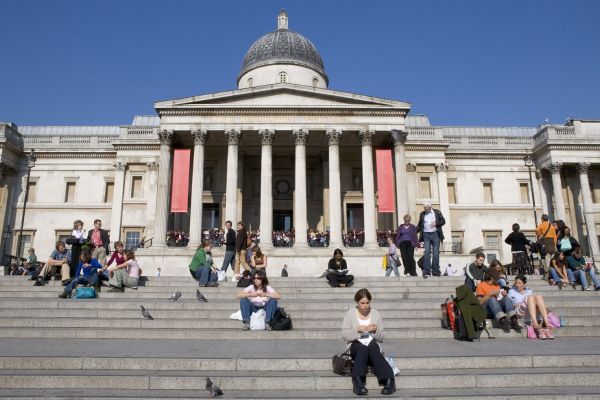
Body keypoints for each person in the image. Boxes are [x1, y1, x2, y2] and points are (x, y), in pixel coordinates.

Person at [341, 288, 396, 396]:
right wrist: (357, 331)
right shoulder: (350, 313)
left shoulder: (375, 313)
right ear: (357, 302)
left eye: (367, 303)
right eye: (362, 303)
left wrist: (375, 331)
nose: (365, 305)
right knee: (361, 347)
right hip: (356, 345)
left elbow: (382, 336)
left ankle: (389, 380)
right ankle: (358, 381)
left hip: (372, 345)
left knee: (371, 346)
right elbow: (344, 334)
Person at [508, 275, 553, 339]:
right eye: (516, 283)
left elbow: (533, 302)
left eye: (520, 283)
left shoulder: (529, 291)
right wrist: (516, 304)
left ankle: (547, 323)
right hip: (520, 311)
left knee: (538, 297)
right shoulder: (511, 291)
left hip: (531, 311)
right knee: (530, 297)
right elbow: (508, 304)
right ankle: (535, 323)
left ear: (525, 284)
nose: (517, 285)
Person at [416, 202, 445, 278]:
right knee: (427, 252)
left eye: (426, 208)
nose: (425, 209)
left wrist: (436, 223)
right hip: (426, 235)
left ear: (430, 207)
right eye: (424, 208)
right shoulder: (422, 214)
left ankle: (435, 270)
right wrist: (413, 232)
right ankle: (426, 270)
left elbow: (443, 221)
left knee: (436, 253)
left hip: (435, 234)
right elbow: (420, 225)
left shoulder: (437, 212)